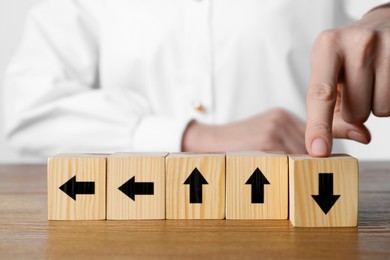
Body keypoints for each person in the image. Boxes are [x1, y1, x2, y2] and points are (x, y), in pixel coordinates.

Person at [3, 0, 389, 159]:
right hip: (136, 231)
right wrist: (191, 137)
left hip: (306, 222)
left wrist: (383, 16)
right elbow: (25, 112)